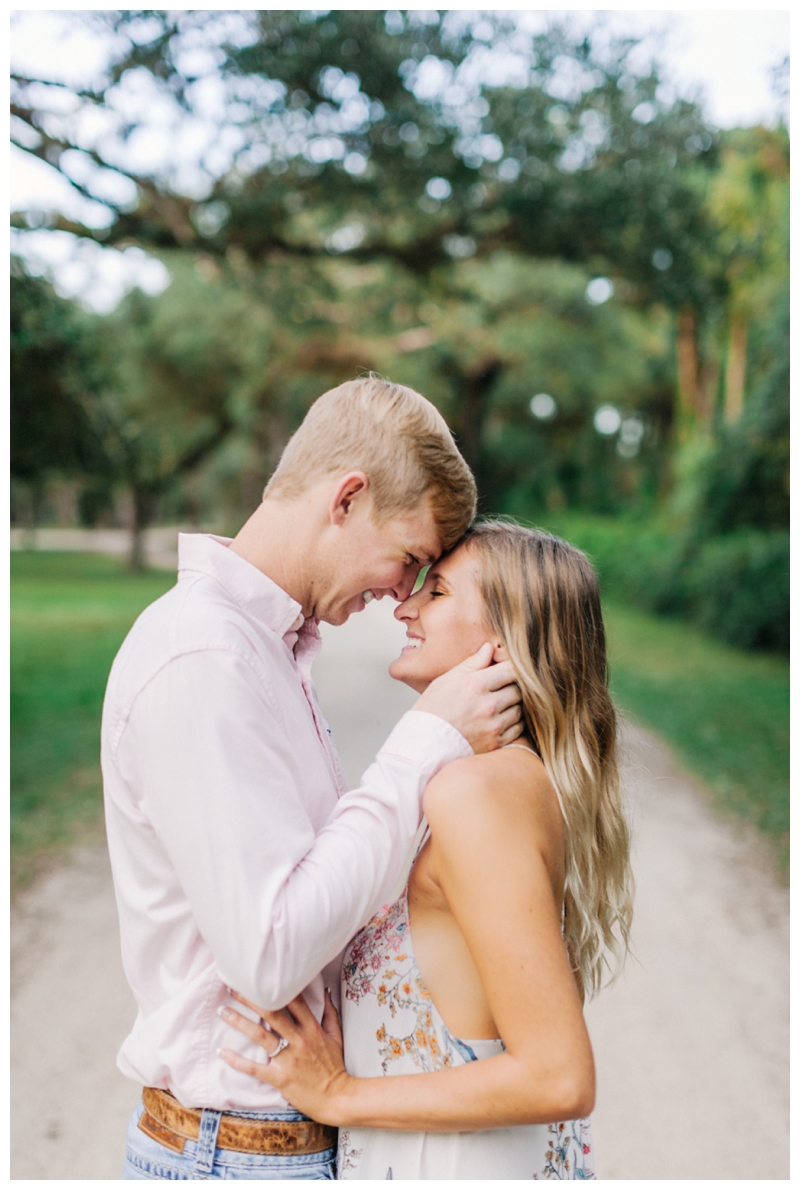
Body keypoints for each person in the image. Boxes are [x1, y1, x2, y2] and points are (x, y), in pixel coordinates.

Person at [102, 378, 525, 1181]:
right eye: (409, 558)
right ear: (348, 498)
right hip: (231, 1153)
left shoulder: (265, 651)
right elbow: (269, 955)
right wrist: (427, 738)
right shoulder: (205, 656)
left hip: (268, 1145)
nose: (402, 593)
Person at [217, 520, 634, 1179]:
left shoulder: (475, 794)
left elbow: (559, 1077)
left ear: (504, 640)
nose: (405, 606)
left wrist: (339, 1095)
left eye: (436, 591)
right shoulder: (507, 778)